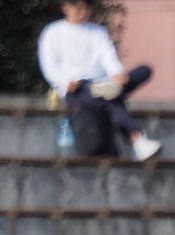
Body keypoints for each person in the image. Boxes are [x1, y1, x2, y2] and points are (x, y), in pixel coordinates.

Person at [38, 0, 161, 161]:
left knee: (144, 71)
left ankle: (136, 139)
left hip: (104, 84)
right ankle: (137, 140)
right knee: (109, 98)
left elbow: (108, 58)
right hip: (77, 89)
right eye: (79, 9)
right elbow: (49, 66)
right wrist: (65, 83)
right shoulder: (52, 33)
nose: (83, 14)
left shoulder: (98, 32)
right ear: (65, 7)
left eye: (86, 9)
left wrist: (117, 74)